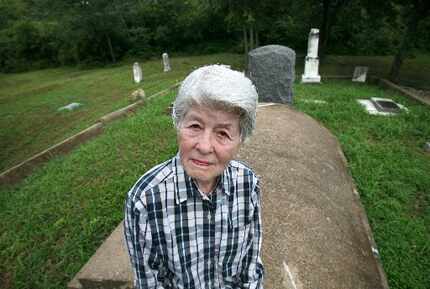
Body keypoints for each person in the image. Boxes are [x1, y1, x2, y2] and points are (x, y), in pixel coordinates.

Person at [124, 64, 264, 289]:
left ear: (241, 139)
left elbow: (250, 270)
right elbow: (150, 283)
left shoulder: (248, 185)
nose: (205, 146)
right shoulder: (145, 201)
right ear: (178, 123)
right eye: (195, 126)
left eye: (223, 133)